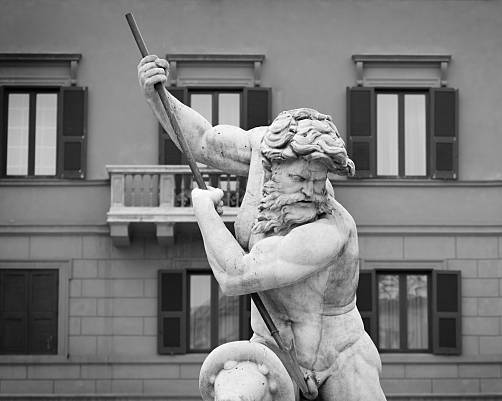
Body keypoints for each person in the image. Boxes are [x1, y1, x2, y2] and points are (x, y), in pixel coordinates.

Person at [138, 55, 387, 401]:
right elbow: (201, 141)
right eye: (300, 178)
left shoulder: (331, 228)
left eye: (319, 181)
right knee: (234, 392)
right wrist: (157, 94)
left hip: (341, 355)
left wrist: (204, 209)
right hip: (273, 348)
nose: (311, 192)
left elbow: (235, 276)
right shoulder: (262, 148)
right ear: (272, 166)